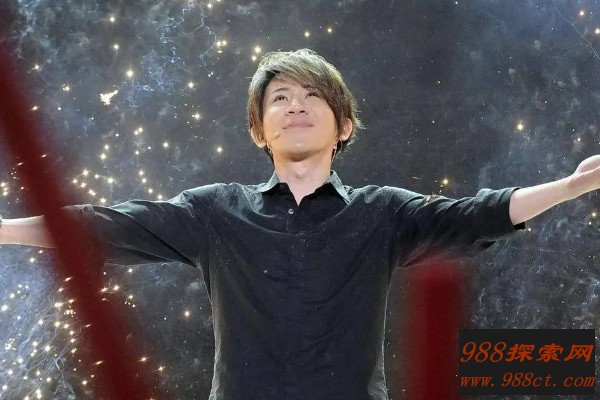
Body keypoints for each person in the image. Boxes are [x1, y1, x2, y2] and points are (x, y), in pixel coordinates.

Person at [1, 48, 599, 400]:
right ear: (259, 131)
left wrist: (571, 187)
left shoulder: (383, 213)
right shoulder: (214, 212)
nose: (295, 105)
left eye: (313, 96)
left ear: (344, 126)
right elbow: (98, 228)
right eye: (280, 97)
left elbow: (478, 215)